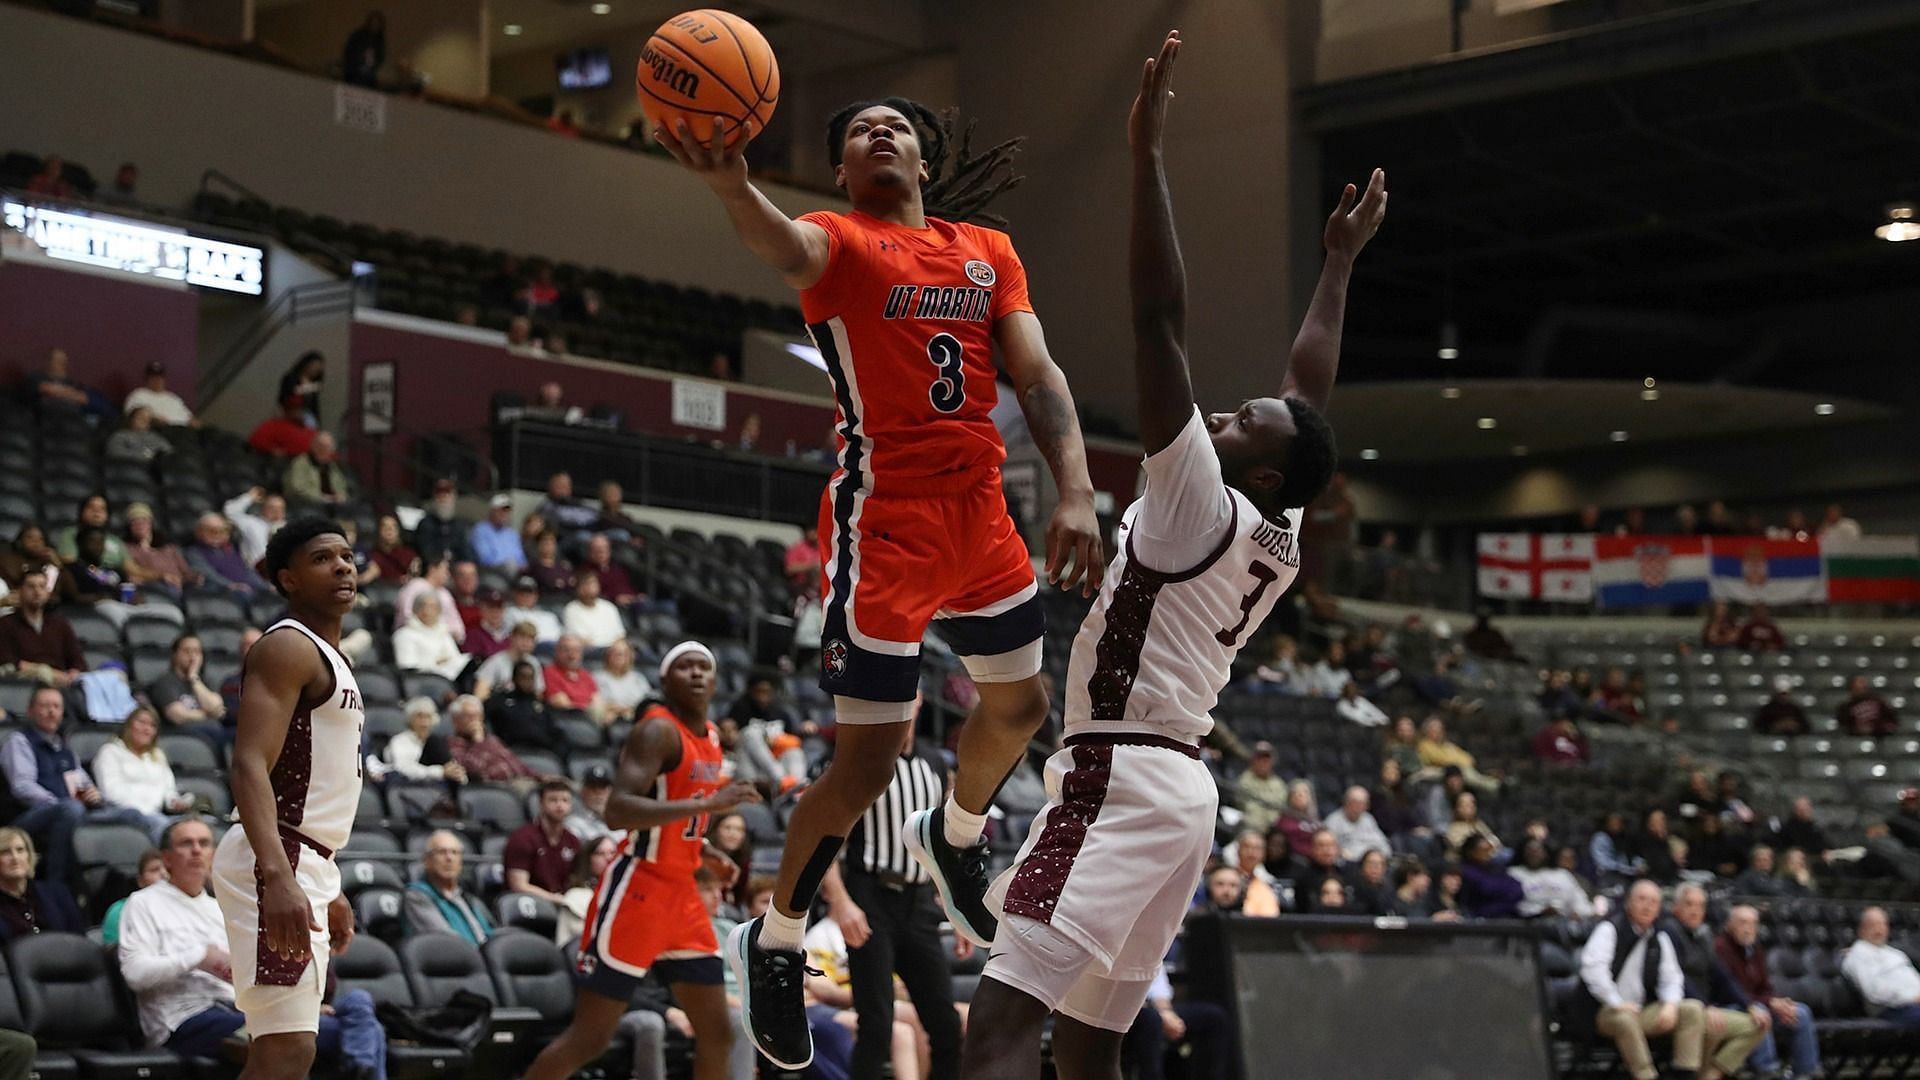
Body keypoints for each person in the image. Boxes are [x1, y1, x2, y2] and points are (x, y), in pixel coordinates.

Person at [664, 58, 1121, 1074]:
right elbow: (776, 240)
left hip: (982, 510)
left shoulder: (987, 250)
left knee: (1024, 708)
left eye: (895, 126)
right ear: (839, 164)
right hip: (886, 520)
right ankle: (776, 937)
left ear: (923, 152)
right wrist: (731, 180)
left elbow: (1037, 373)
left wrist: (1080, 490)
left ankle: (959, 834)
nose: (879, 134)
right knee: (869, 764)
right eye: (860, 128)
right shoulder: (838, 243)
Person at [952, 37, 1374, 1079]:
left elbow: (1158, 322)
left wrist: (1143, 158)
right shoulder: (1276, 529)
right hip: (1183, 794)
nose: (1224, 416)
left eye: (1242, 425)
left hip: (1116, 773)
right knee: (1091, 1044)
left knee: (1003, 1018)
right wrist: (1336, 265)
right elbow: (1306, 400)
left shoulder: (1200, 502)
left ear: (1261, 473)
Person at [524, 642, 759, 1080]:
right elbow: (619, 810)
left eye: (704, 666)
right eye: (684, 666)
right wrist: (708, 806)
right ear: (665, 680)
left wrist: (704, 850)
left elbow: (678, 809)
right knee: (591, 1038)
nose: (696, 674)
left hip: (683, 893)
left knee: (718, 1031)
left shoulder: (708, 736)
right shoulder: (657, 731)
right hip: (638, 890)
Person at [210, 518, 365, 1080]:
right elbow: (249, 763)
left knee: (287, 1049)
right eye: (323, 558)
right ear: (288, 579)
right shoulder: (287, 647)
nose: (343, 566)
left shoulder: (328, 654)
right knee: (286, 1050)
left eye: (347, 556)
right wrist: (278, 875)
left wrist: (329, 881)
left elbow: (313, 782)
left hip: (305, 857)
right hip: (276, 857)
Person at [124, 818, 387, 1075]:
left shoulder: (219, 907)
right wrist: (200, 956)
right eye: (186, 843)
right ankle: (359, 1066)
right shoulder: (143, 903)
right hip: (185, 1021)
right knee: (353, 1034)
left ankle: (357, 1065)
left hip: (240, 1010)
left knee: (357, 1006)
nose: (196, 850)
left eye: (203, 843)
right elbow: (135, 974)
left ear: (213, 855)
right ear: (166, 858)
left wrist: (297, 1007)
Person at [817, 707, 966, 1080]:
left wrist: (958, 908)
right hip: (870, 896)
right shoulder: (862, 758)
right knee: (877, 1023)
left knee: (946, 1025)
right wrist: (841, 902)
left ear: (919, 701)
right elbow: (825, 841)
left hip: (918, 903)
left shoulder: (934, 762)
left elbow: (943, 845)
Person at [1, 686, 151, 883]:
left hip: (71, 810)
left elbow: (83, 781)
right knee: (70, 809)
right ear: (30, 711)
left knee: (133, 814)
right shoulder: (19, 742)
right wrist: (58, 803)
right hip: (27, 817)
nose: (51, 711)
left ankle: (135, 879)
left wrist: (93, 794)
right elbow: (22, 787)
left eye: (56, 706)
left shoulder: (64, 748)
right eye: (44, 706)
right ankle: (57, 884)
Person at [1578, 880, 1707, 1080]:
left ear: (1659, 909)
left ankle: (1685, 1074)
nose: (1647, 906)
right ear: (1629, 902)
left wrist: (1670, 1005)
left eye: (1654, 902)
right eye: (1641, 899)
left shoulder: (1660, 937)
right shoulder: (1610, 929)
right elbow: (1593, 971)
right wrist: (1617, 1002)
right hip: (1603, 1011)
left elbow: (1672, 978)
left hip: (1640, 1010)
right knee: (1624, 1019)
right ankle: (1646, 1075)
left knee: (1691, 1009)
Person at [1664, 884, 1766, 1080]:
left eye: (1700, 906)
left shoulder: (1704, 935)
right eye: (1689, 904)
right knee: (1710, 1024)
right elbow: (1676, 977)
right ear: (1676, 907)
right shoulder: (1668, 932)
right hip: (1678, 1008)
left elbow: (1723, 976)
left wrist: (1750, 1005)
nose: (1695, 911)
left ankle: (1712, 1075)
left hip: (1705, 1009)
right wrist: (1706, 1006)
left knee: (1758, 1024)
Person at [1717, 903, 1823, 1078]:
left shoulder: (1755, 949)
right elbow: (1730, 991)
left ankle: (1805, 1072)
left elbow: (1765, 988)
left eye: (1753, 924)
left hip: (1757, 1004)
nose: (1748, 929)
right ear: (1730, 925)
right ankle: (1767, 1071)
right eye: (1743, 923)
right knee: (1761, 1014)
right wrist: (1769, 1003)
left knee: (1801, 1013)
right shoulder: (1720, 948)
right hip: (1728, 1006)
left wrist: (1778, 1003)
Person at [92, 706, 195, 841]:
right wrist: (145, 810)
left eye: (152, 726)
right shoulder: (110, 752)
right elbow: (110, 791)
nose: (147, 729)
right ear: (129, 726)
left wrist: (176, 802)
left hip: (156, 815)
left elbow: (168, 791)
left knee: (193, 825)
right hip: (122, 812)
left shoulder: (157, 756)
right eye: (141, 722)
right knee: (163, 827)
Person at [403, 831, 493, 945]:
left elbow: (490, 934)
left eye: (455, 852)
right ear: (427, 861)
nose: (449, 858)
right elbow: (447, 942)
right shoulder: (416, 896)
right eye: (441, 852)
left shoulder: (468, 898)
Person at [0, 569, 85, 685]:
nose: (37, 592)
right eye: (31, 586)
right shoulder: (6, 624)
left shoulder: (60, 624)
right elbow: (8, 661)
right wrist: (51, 673)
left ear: (48, 592)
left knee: (113, 675)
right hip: (26, 683)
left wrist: (74, 673)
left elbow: (77, 660)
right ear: (20, 591)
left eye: (42, 586)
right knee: (43, 672)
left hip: (64, 683)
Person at [504, 780, 583, 905]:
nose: (560, 805)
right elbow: (518, 885)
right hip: (529, 904)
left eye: (565, 800)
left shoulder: (573, 841)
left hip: (564, 903)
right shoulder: (522, 838)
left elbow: (579, 880)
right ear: (541, 804)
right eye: (553, 800)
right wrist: (554, 899)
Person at [0, 827, 85, 942]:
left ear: (29, 856)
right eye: (5, 852)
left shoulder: (57, 894)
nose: (15, 858)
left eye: (20, 850)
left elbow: (79, 941)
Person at [446, 694, 541, 793]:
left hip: (519, 782)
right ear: (455, 721)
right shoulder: (453, 744)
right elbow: (473, 772)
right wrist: (478, 741)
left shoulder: (492, 739)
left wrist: (541, 778)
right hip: (495, 790)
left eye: (477, 716)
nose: (474, 721)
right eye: (468, 716)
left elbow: (517, 764)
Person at [148, 633, 231, 746]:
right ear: (175, 655)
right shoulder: (165, 681)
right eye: (187, 651)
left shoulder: (205, 681)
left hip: (209, 733)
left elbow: (216, 708)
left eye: (197, 652)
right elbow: (177, 716)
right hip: (180, 734)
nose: (192, 656)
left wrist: (193, 678)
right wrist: (208, 715)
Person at [488, 660, 564, 756]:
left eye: (530, 678)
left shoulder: (541, 704)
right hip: (512, 750)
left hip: (543, 751)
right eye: (523, 677)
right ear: (514, 679)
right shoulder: (500, 702)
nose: (527, 682)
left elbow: (555, 731)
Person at [555, 835, 619, 946]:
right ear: (589, 860)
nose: (608, 858)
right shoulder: (576, 896)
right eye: (600, 854)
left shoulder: (623, 893)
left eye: (612, 853)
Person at [385, 698, 466, 785]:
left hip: (437, 789)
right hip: (408, 786)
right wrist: (440, 772)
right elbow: (403, 769)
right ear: (410, 719)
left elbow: (449, 765)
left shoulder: (437, 743)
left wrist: (455, 774)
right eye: (419, 717)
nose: (425, 722)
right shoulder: (399, 741)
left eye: (428, 717)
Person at [392, 593, 470, 682]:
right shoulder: (404, 635)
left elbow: (455, 659)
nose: (428, 611)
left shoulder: (444, 633)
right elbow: (407, 668)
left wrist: (446, 663)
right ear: (416, 610)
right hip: (422, 682)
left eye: (434, 607)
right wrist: (436, 664)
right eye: (424, 606)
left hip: (450, 680)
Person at [123, 505, 198, 597]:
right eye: (135, 522)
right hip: (154, 588)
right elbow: (134, 574)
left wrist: (194, 578)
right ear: (129, 527)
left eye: (144, 521)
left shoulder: (169, 548)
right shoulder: (128, 548)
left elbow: (186, 572)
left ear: (151, 524)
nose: (140, 525)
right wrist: (163, 576)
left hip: (180, 587)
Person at [186, 513, 269, 596]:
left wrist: (267, 587)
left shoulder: (231, 550)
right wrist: (229, 585)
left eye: (222, 531)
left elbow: (247, 572)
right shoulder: (193, 553)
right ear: (199, 532)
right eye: (211, 530)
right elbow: (209, 575)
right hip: (223, 593)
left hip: (246, 589)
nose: (217, 534)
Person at [103, 848, 168, 946]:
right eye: (155, 869)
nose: (163, 873)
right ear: (140, 881)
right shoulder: (120, 911)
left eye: (168, 869)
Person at [394, 555, 464, 642]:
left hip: (443, 638)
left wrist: (457, 633)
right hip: (417, 637)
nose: (448, 574)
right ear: (432, 569)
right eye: (445, 570)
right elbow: (407, 615)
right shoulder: (414, 587)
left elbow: (455, 619)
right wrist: (430, 631)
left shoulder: (445, 594)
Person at [1321, 785, 1389, 863]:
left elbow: (1383, 844)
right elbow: (1329, 849)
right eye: (1355, 802)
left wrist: (1380, 855)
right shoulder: (1333, 821)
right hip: (1347, 864)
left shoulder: (1368, 819)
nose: (1358, 806)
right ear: (1346, 803)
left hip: (1369, 862)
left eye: (1362, 803)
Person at [1234, 741, 1287, 835]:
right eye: (1260, 758)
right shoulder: (1244, 780)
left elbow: (1280, 809)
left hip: (1273, 829)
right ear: (1253, 760)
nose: (1263, 762)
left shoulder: (1279, 784)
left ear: (1272, 761)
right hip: (1252, 827)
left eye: (1266, 759)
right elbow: (1247, 808)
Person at [285, 433, 350, 509]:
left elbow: (341, 485)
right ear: (314, 447)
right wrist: (322, 498)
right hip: (308, 505)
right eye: (322, 446)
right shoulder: (301, 463)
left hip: (333, 505)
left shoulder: (332, 466)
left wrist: (341, 496)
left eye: (329, 448)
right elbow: (297, 489)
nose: (326, 450)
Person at [593, 639, 650, 724]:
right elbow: (597, 705)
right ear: (608, 656)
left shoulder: (638, 678)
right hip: (610, 720)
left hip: (638, 719)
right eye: (615, 653)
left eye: (624, 653)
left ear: (631, 657)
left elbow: (647, 703)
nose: (619, 656)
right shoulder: (597, 678)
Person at [562, 573, 625, 651]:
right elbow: (577, 640)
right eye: (586, 584)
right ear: (578, 588)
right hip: (589, 651)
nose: (590, 587)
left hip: (612, 651)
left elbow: (620, 636)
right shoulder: (571, 609)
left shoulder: (609, 607)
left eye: (593, 583)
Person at [544, 635, 602, 715]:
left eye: (576, 651)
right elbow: (560, 702)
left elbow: (597, 701)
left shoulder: (586, 674)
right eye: (566, 650)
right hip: (567, 719)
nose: (572, 655)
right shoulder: (550, 672)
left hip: (590, 720)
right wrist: (587, 708)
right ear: (557, 651)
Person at [124, 361, 194, 426]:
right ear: (147, 379)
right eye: (153, 377)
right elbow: (132, 417)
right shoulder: (138, 395)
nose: (157, 380)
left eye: (160, 377)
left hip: (183, 429)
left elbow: (189, 417)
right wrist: (154, 419)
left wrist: (194, 422)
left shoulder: (173, 398)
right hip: (158, 430)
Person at [468, 495, 525, 574]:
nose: (504, 514)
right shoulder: (480, 530)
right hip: (492, 572)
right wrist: (509, 564)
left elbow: (521, 559)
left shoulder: (512, 534)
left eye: (507, 511)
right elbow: (485, 559)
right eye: (501, 510)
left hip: (516, 572)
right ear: (492, 511)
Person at [503, 575, 563, 645]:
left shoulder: (549, 616)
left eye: (530, 592)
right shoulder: (509, 612)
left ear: (536, 595)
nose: (526, 596)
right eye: (522, 592)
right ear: (514, 594)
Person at [249, 397, 317, 458]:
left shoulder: (311, 432)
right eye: (293, 408)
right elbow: (255, 441)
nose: (297, 411)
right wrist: (271, 450)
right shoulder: (273, 425)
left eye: (300, 408)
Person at [564, 766, 613, 844]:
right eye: (593, 787)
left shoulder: (620, 821)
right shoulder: (573, 823)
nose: (598, 793)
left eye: (603, 787)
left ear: (610, 792)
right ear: (583, 791)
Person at [107, 406, 173, 463]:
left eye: (148, 418)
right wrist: (145, 456)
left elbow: (169, 452)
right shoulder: (120, 435)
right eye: (140, 417)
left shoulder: (155, 437)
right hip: (132, 468)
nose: (144, 420)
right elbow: (115, 453)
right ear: (132, 419)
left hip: (156, 469)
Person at [278, 353, 325, 428]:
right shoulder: (291, 378)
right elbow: (286, 395)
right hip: (290, 414)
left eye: (318, 369)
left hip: (308, 417)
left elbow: (314, 406)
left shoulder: (314, 384)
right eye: (314, 366)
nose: (315, 370)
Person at [340, 11, 385, 87]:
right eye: (373, 23)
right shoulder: (358, 36)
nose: (375, 26)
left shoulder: (380, 41)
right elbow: (349, 51)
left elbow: (380, 57)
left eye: (377, 24)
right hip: (353, 73)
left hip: (369, 76)